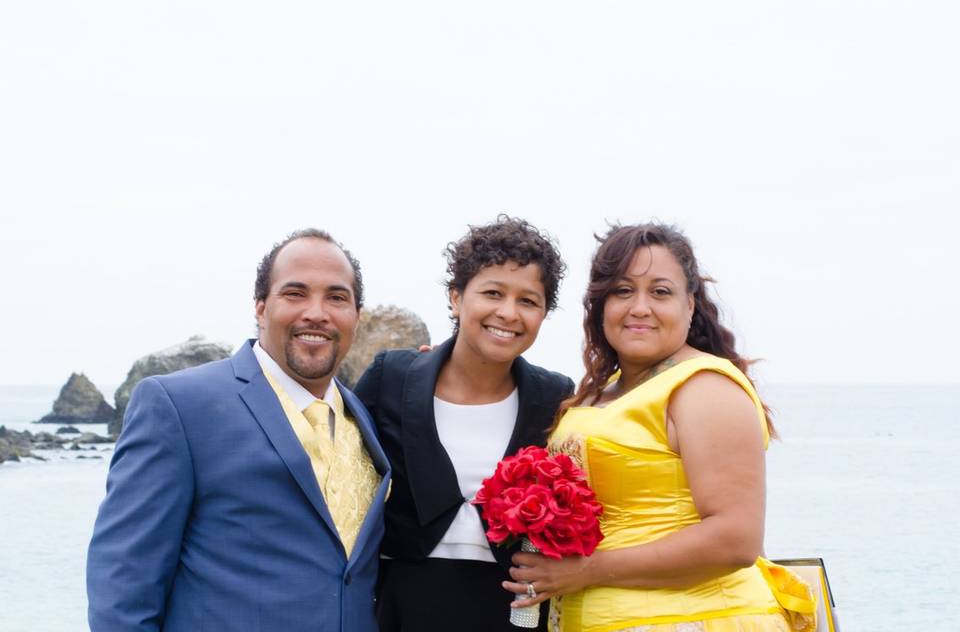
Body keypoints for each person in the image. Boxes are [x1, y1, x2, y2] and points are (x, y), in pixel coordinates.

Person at [503, 223, 816, 632]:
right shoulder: (600, 392)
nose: (640, 307)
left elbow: (735, 540)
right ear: (599, 306)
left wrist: (588, 571)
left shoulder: (704, 386)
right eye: (622, 290)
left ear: (690, 305)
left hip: (695, 619)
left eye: (660, 291)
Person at [87, 229, 392, 632]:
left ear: (355, 315)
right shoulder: (179, 406)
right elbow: (122, 587)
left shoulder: (365, 419)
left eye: (337, 297)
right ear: (261, 308)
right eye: (295, 293)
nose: (316, 312)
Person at [353, 215, 575, 632]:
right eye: (492, 293)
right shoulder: (393, 378)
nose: (508, 313)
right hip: (399, 602)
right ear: (456, 298)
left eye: (529, 301)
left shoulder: (554, 396)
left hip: (510, 608)